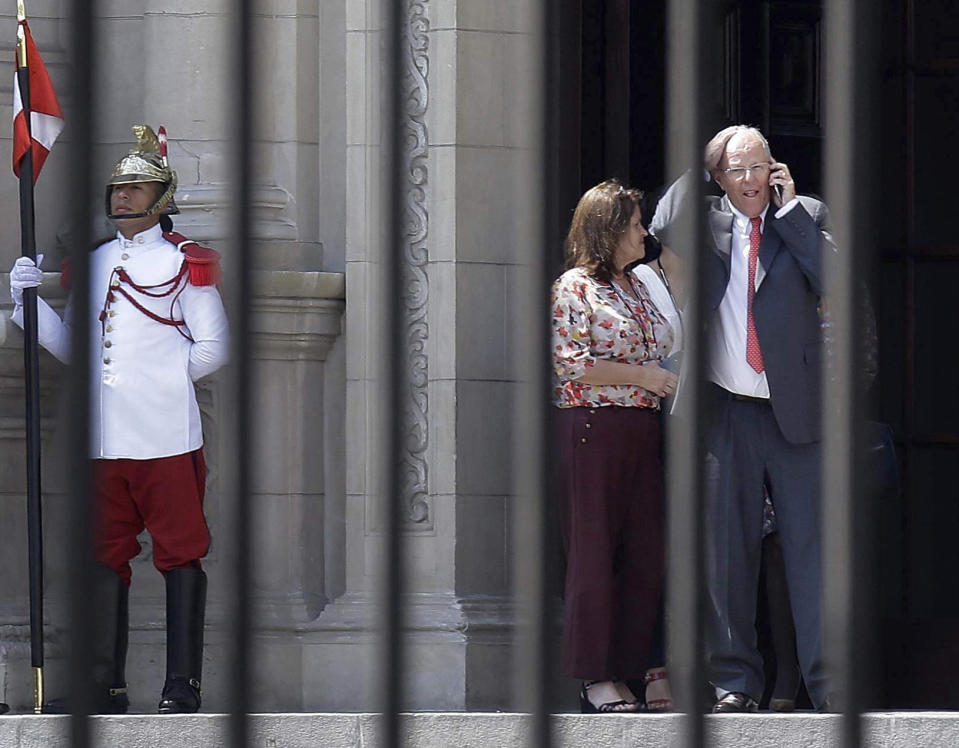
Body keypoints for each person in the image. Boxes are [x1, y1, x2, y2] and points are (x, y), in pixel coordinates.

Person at [8, 125, 229, 714]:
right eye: (117, 188)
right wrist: (26, 305)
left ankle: (182, 684)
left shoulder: (188, 261)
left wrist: (160, 380)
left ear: (163, 195)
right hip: (104, 439)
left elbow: (214, 346)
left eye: (136, 187)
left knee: (180, 552)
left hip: (163, 432)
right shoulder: (98, 262)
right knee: (103, 556)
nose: (122, 197)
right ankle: (106, 685)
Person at [650, 125, 836, 712]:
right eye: (738, 170)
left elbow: (832, 277)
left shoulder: (805, 215)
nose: (751, 180)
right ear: (720, 177)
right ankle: (735, 683)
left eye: (761, 167)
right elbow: (661, 219)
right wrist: (706, 164)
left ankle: (829, 685)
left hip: (794, 413)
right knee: (725, 555)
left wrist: (789, 212)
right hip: (724, 410)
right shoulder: (704, 220)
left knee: (812, 551)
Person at [552, 180, 679, 713]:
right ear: (607, 230)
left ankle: (634, 668)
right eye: (634, 225)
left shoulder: (637, 287)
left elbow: (667, 341)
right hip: (594, 429)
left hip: (642, 430)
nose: (644, 232)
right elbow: (571, 362)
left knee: (646, 555)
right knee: (595, 552)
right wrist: (643, 377)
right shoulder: (574, 287)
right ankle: (594, 676)